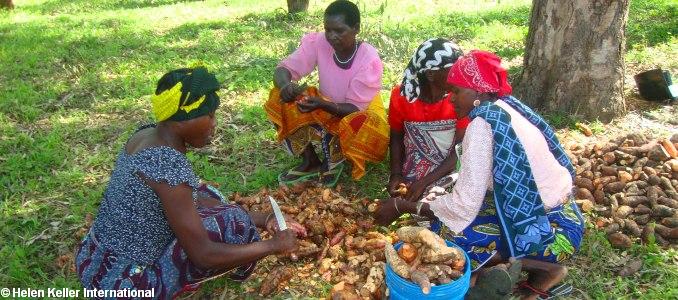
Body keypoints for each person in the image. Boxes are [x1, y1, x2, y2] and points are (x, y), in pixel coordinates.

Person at [75, 66, 307, 299]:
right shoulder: (167, 164)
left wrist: (265, 218)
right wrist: (273, 246)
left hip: (96, 261)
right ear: (182, 120)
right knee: (233, 223)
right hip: (126, 284)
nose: (215, 123)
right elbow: (203, 255)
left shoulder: (145, 135)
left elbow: (192, 199)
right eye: (210, 115)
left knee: (208, 194)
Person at [376, 51, 584, 299]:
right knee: (441, 221)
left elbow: (462, 207)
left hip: (551, 234)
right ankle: (492, 272)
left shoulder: (482, 126)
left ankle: (544, 269)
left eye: (455, 91)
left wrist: (402, 206)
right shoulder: (505, 106)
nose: (449, 98)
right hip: (567, 217)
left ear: (479, 92)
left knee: (444, 234)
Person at [264, 0, 388, 187]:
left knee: (357, 122)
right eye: (328, 29)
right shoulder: (319, 42)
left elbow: (355, 108)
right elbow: (283, 69)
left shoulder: (368, 59)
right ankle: (311, 161)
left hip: (359, 116)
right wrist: (285, 86)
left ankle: (334, 161)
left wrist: (322, 105)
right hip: (328, 106)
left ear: (356, 29)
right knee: (279, 97)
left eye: (339, 31)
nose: (331, 36)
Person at [387, 38, 469, 202]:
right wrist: (396, 174)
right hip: (415, 166)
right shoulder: (402, 96)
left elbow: (460, 149)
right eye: (453, 70)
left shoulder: (459, 99)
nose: (459, 75)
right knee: (409, 194)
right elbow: (396, 137)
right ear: (431, 74)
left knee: (450, 196)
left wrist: (424, 182)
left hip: (450, 165)